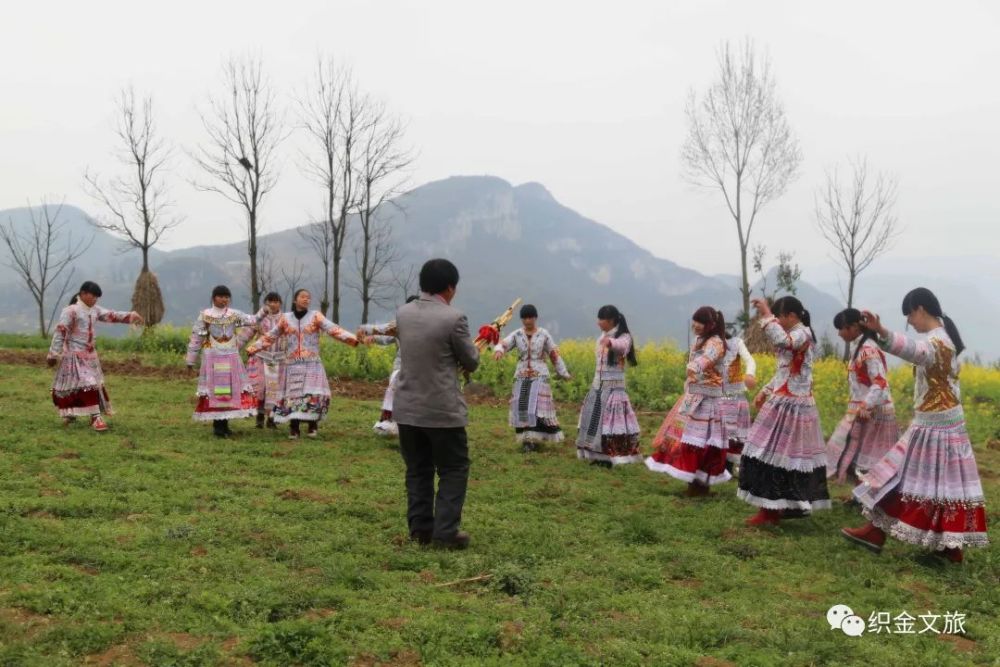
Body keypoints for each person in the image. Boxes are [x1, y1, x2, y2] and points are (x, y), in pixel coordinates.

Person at [842, 288, 988, 563]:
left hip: (936, 427)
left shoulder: (938, 342)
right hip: (937, 423)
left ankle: (886, 534)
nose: (910, 321)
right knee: (927, 483)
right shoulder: (944, 336)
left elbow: (915, 351)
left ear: (920, 309)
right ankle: (943, 548)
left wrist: (882, 331)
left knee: (906, 477)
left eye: (910, 315)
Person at [392, 259, 479, 549]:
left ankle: (420, 531)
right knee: (454, 468)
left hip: (406, 407)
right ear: (450, 287)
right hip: (442, 410)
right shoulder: (454, 318)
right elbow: (471, 361)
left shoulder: (403, 313)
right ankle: (445, 533)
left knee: (417, 469)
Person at [737, 296, 830, 526]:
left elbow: (783, 342)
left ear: (792, 316)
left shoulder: (802, 333)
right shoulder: (799, 334)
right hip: (785, 400)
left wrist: (767, 314)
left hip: (793, 406)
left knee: (777, 455)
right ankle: (779, 508)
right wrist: (766, 390)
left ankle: (771, 512)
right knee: (773, 454)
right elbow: (784, 371)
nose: (777, 321)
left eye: (780, 316)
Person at [247, 288, 359, 440]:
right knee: (294, 396)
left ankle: (312, 426)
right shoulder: (285, 318)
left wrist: (353, 339)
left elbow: (333, 329)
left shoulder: (316, 316)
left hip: (312, 362)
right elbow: (271, 335)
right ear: (295, 300)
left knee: (311, 395)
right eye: (303, 297)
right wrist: (254, 347)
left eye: (308, 297)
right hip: (293, 364)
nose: (306, 299)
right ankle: (294, 428)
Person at [646, 307, 731, 494]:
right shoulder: (698, 341)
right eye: (694, 321)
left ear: (711, 325)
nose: (695, 325)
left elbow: (708, 358)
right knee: (683, 438)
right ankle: (692, 481)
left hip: (708, 400)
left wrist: (694, 366)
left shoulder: (716, 342)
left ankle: (701, 484)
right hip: (692, 397)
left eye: (699, 322)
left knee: (703, 442)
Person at [47, 281, 142, 432]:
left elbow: (112, 315)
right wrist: (53, 354)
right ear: (83, 293)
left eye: (97, 297)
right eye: (93, 296)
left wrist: (130, 315)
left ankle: (82, 415)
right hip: (73, 356)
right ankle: (95, 417)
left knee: (87, 385)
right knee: (85, 385)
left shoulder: (95, 310)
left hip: (90, 357)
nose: (95, 300)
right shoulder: (70, 311)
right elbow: (61, 331)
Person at [825, 308, 898, 484]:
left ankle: (870, 498)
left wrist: (866, 405)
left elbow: (880, 381)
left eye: (841, 328)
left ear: (853, 328)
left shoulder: (867, 349)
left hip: (873, 411)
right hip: (863, 410)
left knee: (871, 457)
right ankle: (860, 496)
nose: (839, 333)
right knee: (854, 452)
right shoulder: (859, 348)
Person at [492, 304, 572, 452]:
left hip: (540, 375)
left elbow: (554, 354)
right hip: (522, 375)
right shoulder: (517, 334)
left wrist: (564, 373)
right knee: (522, 406)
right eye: (524, 318)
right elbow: (503, 344)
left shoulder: (544, 334)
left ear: (535, 318)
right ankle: (527, 440)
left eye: (530, 317)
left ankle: (535, 439)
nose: (527, 320)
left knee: (535, 408)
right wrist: (499, 351)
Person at [186, 285, 259, 437]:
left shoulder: (234, 314)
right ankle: (218, 427)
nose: (224, 299)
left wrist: (265, 311)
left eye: (227, 297)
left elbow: (252, 320)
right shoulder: (205, 315)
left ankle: (225, 425)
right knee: (217, 393)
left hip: (231, 358)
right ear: (214, 298)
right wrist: (190, 360)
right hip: (213, 358)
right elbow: (197, 337)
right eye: (221, 296)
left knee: (229, 392)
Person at [575, 305, 642, 467]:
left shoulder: (624, 337)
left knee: (609, 425)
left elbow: (621, 346)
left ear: (611, 320)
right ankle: (596, 455)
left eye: (601, 319)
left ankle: (609, 458)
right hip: (598, 386)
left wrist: (611, 342)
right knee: (594, 420)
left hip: (613, 389)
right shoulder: (602, 337)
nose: (598, 322)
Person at [358, 295, 419, 437]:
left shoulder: (430, 326)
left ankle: (414, 427)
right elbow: (384, 334)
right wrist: (370, 335)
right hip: (401, 366)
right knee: (394, 392)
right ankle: (390, 422)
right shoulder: (399, 325)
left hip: (421, 369)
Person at [244, 292, 287, 429]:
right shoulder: (259, 318)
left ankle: (272, 418)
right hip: (260, 357)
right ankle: (259, 416)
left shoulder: (286, 319)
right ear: (265, 303)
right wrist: (233, 348)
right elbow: (247, 333)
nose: (273, 304)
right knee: (261, 388)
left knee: (274, 390)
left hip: (278, 359)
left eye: (276, 301)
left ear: (280, 303)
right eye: (270, 301)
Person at [720, 333, 757, 475]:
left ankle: (727, 468)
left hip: (733, 396)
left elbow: (750, 361)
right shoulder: (708, 343)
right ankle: (717, 467)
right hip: (715, 394)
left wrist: (750, 374)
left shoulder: (736, 343)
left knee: (732, 435)